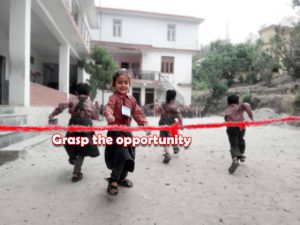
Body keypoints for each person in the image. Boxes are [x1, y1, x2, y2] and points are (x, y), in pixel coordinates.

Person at [104, 70, 149, 196]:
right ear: (114, 84)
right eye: (119, 82)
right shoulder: (113, 98)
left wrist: (144, 123)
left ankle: (122, 178)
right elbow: (108, 107)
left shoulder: (132, 100)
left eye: (126, 82)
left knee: (129, 157)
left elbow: (138, 113)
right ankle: (113, 181)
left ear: (129, 84)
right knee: (121, 156)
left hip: (127, 133)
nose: (123, 85)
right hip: (115, 133)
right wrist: (109, 114)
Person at [49, 83, 100, 182]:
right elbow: (95, 117)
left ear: (76, 92)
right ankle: (76, 172)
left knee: (68, 142)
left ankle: (73, 157)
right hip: (86, 124)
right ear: (89, 93)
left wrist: (53, 114)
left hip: (74, 122)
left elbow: (61, 106)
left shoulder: (72, 99)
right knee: (82, 148)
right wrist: (96, 109)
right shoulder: (90, 102)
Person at [224, 94, 254, 174]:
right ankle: (241, 154)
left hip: (231, 128)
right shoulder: (240, 106)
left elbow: (226, 120)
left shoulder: (227, 110)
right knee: (241, 140)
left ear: (228, 102)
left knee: (234, 143)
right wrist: (251, 118)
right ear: (238, 101)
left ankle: (235, 160)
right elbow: (247, 107)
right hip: (241, 127)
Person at [157, 89, 183, 164]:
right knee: (173, 136)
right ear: (174, 96)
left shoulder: (163, 104)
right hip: (172, 123)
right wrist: (181, 124)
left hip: (163, 123)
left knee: (164, 139)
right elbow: (179, 115)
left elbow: (158, 112)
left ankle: (167, 153)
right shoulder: (175, 105)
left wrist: (158, 105)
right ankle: (175, 147)